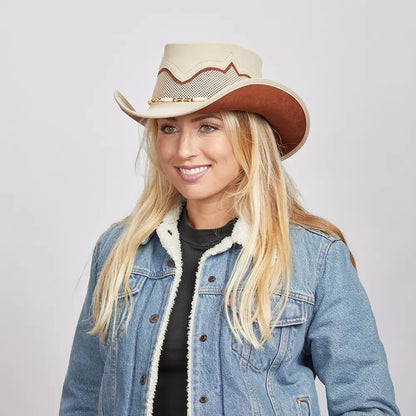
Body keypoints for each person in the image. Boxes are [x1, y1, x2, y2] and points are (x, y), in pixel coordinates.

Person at [59, 42, 400, 415]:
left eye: (208, 127)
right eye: (169, 127)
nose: (184, 149)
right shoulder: (118, 249)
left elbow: (366, 404)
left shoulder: (315, 257)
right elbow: (83, 397)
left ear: (249, 137)